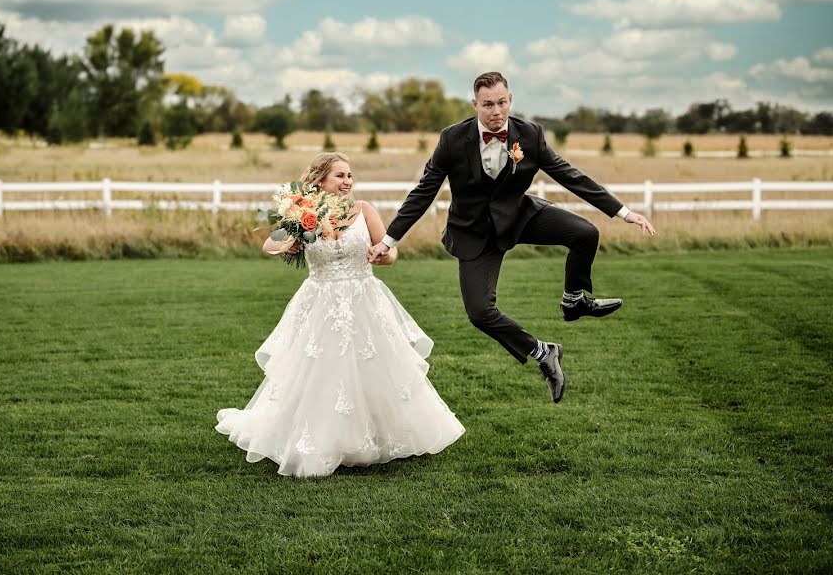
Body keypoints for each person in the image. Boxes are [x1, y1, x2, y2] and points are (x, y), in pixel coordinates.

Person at [368, 72, 656, 404]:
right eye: (488, 104)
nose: (496, 111)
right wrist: (388, 240)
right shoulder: (452, 139)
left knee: (585, 233)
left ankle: (575, 300)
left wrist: (622, 212)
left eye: (502, 102)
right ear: (475, 104)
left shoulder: (530, 135)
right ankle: (543, 352)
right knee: (479, 313)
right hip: (475, 232)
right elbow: (423, 192)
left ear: (510, 100)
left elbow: (569, 175)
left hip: (520, 217)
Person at [215, 152, 465, 477]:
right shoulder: (303, 213)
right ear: (321, 181)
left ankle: (377, 436)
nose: (348, 182)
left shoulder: (364, 210)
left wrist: (382, 255)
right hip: (320, 302)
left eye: (350, 175)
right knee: (322, 372)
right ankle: (321, 438)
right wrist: (288, 244)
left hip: (364, 299)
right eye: (340, 176)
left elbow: (391, 252)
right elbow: (269, 245)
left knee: (375, 370)